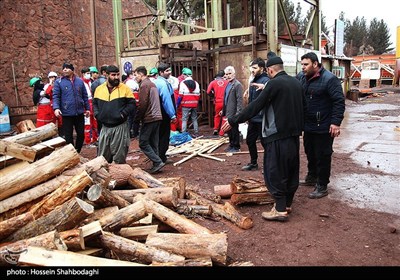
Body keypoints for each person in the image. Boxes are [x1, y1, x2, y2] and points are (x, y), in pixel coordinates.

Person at [221, 56, 306, 222]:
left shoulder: (274, 84)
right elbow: (304, 107)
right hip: (294, 136)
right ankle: (287, 204)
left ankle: (280, 209)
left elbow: (255, 106)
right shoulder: (296, 82)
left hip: (276, 136)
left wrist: (233, 120)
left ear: (270, 70)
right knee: (291, 170)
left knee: (274, 171)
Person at [296, 52, 345, 199]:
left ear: (315, 64)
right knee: (310, 152)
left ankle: (322, 185)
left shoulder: (330, 79)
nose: (303, 67)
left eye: (306, 64)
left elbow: (339, 101)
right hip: (308, 125)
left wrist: (335, 123)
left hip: (323, 125)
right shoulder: (301, 77)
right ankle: (312, 177)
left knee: (323, 155)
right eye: (302, 64)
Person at [92, 65, 136, 164]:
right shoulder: (99, 89)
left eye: (117, 75)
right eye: (113, 75)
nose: (116, 77)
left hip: (120, 127)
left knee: (119, 157)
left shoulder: (125, 88)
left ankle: (119, 177)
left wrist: (123, 114)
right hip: (105, 128)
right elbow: (95, 103)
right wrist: (97, 114)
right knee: (102, 158)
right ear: (106, 75)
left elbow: (132, 104)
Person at [53, 63, 90, 153]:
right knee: (68, 136)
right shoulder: (59, 82)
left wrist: (87, 108)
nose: (65, 70)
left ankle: (77, 151)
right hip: (66, 113)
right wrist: (56, 108)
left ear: (72, 70)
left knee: (81, 134)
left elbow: (85, 96)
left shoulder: (80, 82)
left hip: (79, 112)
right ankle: (72, 152)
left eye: (67, 68)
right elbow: (56, 96)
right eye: (64, 68)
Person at [133, 66, 164, 174]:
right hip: (157, 116)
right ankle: (157, 163)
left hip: (150, 117)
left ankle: (157, 161)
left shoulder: (144, 85)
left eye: (136, 74)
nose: (135, 77)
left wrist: (137, 119)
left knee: (143, 142)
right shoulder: (152, 84)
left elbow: (142, 104)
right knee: (153, 142)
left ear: (141, 75)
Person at [242, 57, 270, 171]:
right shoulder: (253, 80)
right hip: (253, 118)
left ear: (262, 68)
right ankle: (253, 163)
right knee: (250, 140)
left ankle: (268, 165)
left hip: (262, 118)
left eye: (254, 68)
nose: (252, 70)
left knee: (265, 143)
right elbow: (251, 100)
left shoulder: (266, 81)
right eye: (251, 68)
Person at [153, 62, 177, 164]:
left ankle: (158, 156)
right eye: (167, 71)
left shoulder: (156, 82)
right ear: (161, 72)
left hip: (156, 113)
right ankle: (161, 157)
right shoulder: (163, 84)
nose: (169, 73)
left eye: (169, 70)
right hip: (164, 113)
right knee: (164, 136)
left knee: (158, 135)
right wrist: (172, 114)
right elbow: (166, 100)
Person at [222, 66, 243, 153]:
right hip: (228, 110)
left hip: (234, 111)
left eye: (230, 73)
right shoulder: (228, 84)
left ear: (234, 74)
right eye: (226, 74)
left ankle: (236, 146)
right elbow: (226, 98)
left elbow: (239, 100)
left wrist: (238, 113)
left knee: (234, 129)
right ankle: (231, 144)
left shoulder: (237, 85)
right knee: (229, 129)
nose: (228, 75)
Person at [177, 67, 201, 137]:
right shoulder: (196, 83)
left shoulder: (182, 83)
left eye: (183, 75)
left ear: (185, 75)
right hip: (194, 104)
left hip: (185, 104)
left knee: (184, 119)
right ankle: (196, 133)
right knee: (194, 118)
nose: (183, 76)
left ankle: (184, 133)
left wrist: (177, 104)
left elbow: (180, 95)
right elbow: (198, 94)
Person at [206, 70, 228, 135]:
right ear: (223, 76)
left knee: (217, 116)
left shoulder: (213, 82)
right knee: (225, 116)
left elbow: (208, 92)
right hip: (225, 102)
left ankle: (215, 129)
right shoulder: (227, 82)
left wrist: (213, 96)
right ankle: (222, 131)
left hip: (217, 102)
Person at [91, 65, 108, 135]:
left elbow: (93, 94)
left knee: (99, 126)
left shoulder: (95, 82)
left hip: (99, 106)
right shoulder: (106, 82)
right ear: (104, 72)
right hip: (106, 105)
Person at [124, 70, 140, 138]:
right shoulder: (130, 82)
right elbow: (136, 89)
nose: (134, 76)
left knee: (131, 118)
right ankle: (133, 132)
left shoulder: (127, 82)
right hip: (133, 102)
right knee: (133, 118)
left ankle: (130, 132)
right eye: (133, 74)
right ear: (130, 75)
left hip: (131, 102)